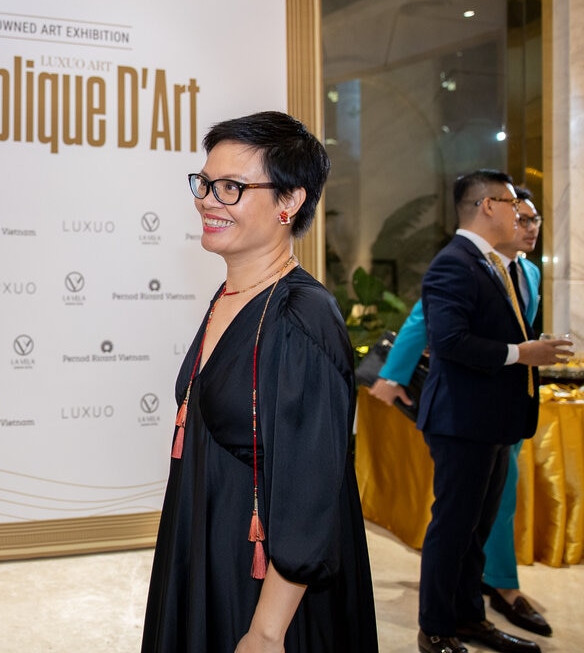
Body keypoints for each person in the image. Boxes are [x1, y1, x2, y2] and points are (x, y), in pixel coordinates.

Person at [142, 111, 377, 653]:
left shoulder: (301, 318)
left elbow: (311, 491)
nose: (208, 201)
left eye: (231, 187)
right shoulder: (233, 295)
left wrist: (267, 631)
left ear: (289, 201)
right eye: (205, 184)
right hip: (208, 556)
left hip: (267, 597)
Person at [369, 187, 551, 638]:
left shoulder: (524, 271)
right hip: (466, 412)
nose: (527, 227)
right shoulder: (460, 263)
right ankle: (458, 613)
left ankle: (476, 607)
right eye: (519, 215)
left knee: (489, 511)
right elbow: (429, 324)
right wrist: (391, 376)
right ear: (491, 210)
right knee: (461, 520)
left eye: (534, 220)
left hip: (506, 411)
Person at [415, 170, 569, 653]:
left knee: (476, 531)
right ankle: (435, 629)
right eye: (510, 203)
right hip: (461, 420)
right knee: (453, 528)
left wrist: (527, 348)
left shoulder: (494, 263)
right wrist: (522, 354)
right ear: (487, 206)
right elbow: (450, 341)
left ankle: (468, 618)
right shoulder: (454, 263)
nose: (518, 213)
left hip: (491, 420)